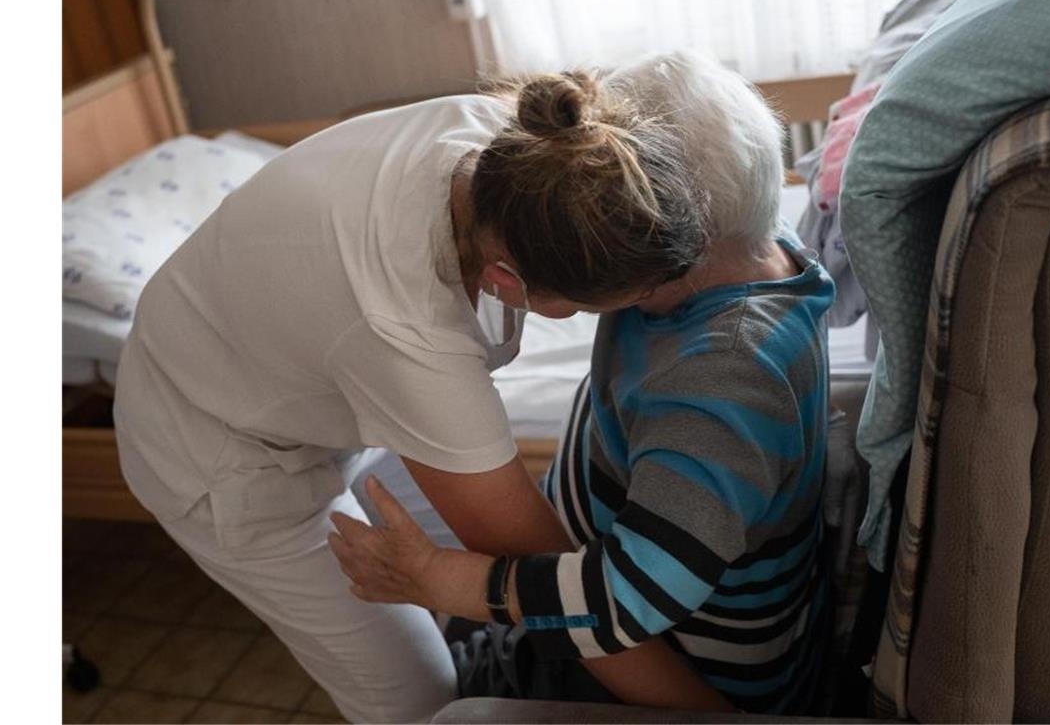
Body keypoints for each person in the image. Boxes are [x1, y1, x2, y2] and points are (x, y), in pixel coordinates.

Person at [113, 62, 731, 722]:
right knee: (420, 697)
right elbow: (557, 586)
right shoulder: (405, 331)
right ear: (508, 283)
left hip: (286, 355)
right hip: (216, 446)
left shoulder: (538, 148)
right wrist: (716, 717)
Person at [328, 51, 837, 714]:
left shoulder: (725, 383)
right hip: (611, 596)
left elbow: (629, 600)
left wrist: (435, 577)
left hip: (674, 666)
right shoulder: (760, 245)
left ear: (671, 228)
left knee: (434, 687)